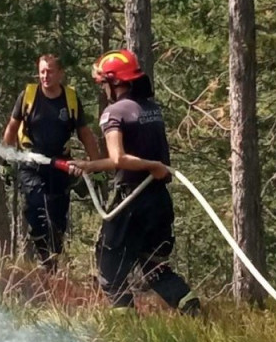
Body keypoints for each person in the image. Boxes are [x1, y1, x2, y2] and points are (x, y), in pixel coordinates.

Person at [70, 49, 199, 315]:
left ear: (115, 82)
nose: (103, 89)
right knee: (153, 266)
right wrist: (90, 166)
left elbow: (118, 157)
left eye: (104, 83)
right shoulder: (152, 109)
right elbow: (125, 159)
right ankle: (191, 309)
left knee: (110, 269)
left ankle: (126, 327)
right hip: (158, 201)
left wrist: (150, 166)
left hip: (131, 203)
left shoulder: (113, 113)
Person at [2, 54, 100, 270]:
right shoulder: (28, 96)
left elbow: (85, 133)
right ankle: (44, 256)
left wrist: (97, 166)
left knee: (57, 217)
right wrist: (5, 161)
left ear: (60, 74)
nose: (45, 76)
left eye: (50, 71)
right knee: (36, 204)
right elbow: (12, 127)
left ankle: (53, 260)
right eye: (42, 71)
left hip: (60, 165)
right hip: (30, 163)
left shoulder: (70, 98)